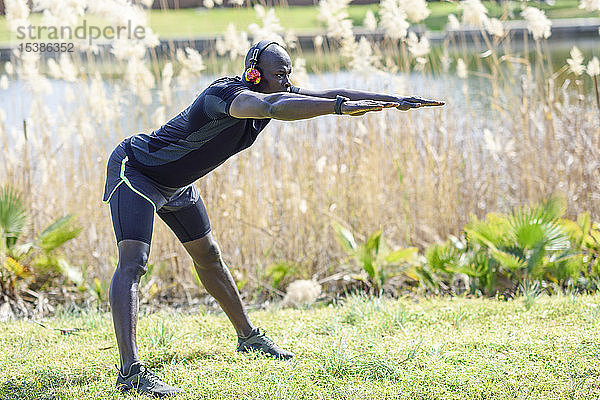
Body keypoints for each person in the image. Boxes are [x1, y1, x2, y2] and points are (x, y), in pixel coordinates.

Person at [103, 40, 444, 397]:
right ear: (254, 73)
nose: (286, 82)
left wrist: (392, 101)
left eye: (289, 75)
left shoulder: (275, 90)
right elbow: (272, 104)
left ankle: (249, 339)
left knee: (210, 257)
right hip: (138, 172)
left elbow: (332, 92)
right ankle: (131, 373)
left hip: (178, 184)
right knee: (134, 263)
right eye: (279, 74)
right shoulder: (227, 95)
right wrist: (339, 109)